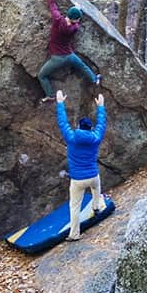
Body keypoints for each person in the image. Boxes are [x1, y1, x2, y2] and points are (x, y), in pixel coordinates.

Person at [56, 89, 106, 241]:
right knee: (96, 188)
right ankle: (96, 207)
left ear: (78, 126)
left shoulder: (72, 137)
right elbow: (102, 123)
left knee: (74, 206)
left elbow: (62, 122)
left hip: (77, 179)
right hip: (92, 175)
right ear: (90, 128)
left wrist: (60, 103)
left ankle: (74, 234)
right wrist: (101, 107)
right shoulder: (96, 137)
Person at [38, 0, 100, 103]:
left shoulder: (57, 19)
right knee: (83, 66)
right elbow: (76, 21)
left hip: (57, 58)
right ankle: (94, 79)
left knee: (42, 75)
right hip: (69, 55)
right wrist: (78, 9)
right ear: (76, 20)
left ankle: (50, 95)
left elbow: (52, 4)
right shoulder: (74, 28)